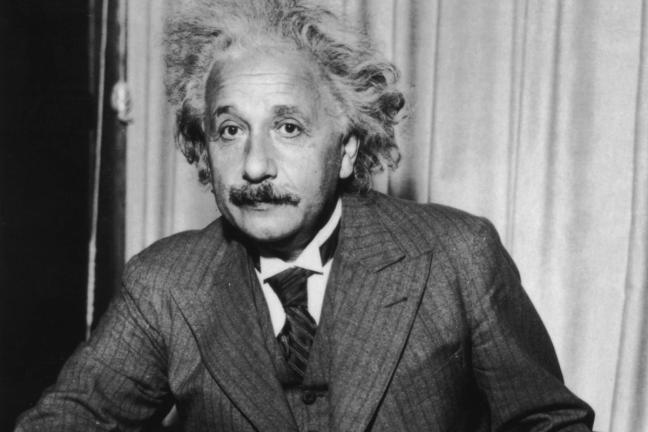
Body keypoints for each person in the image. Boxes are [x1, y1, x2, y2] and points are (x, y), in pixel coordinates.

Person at [16, 0, 595, 430]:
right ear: (204, 149)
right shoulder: (165, 285)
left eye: (288, 127)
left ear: (345, 150)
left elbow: (548, 423)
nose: (254, 165)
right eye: (230, 130)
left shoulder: (456, 256)